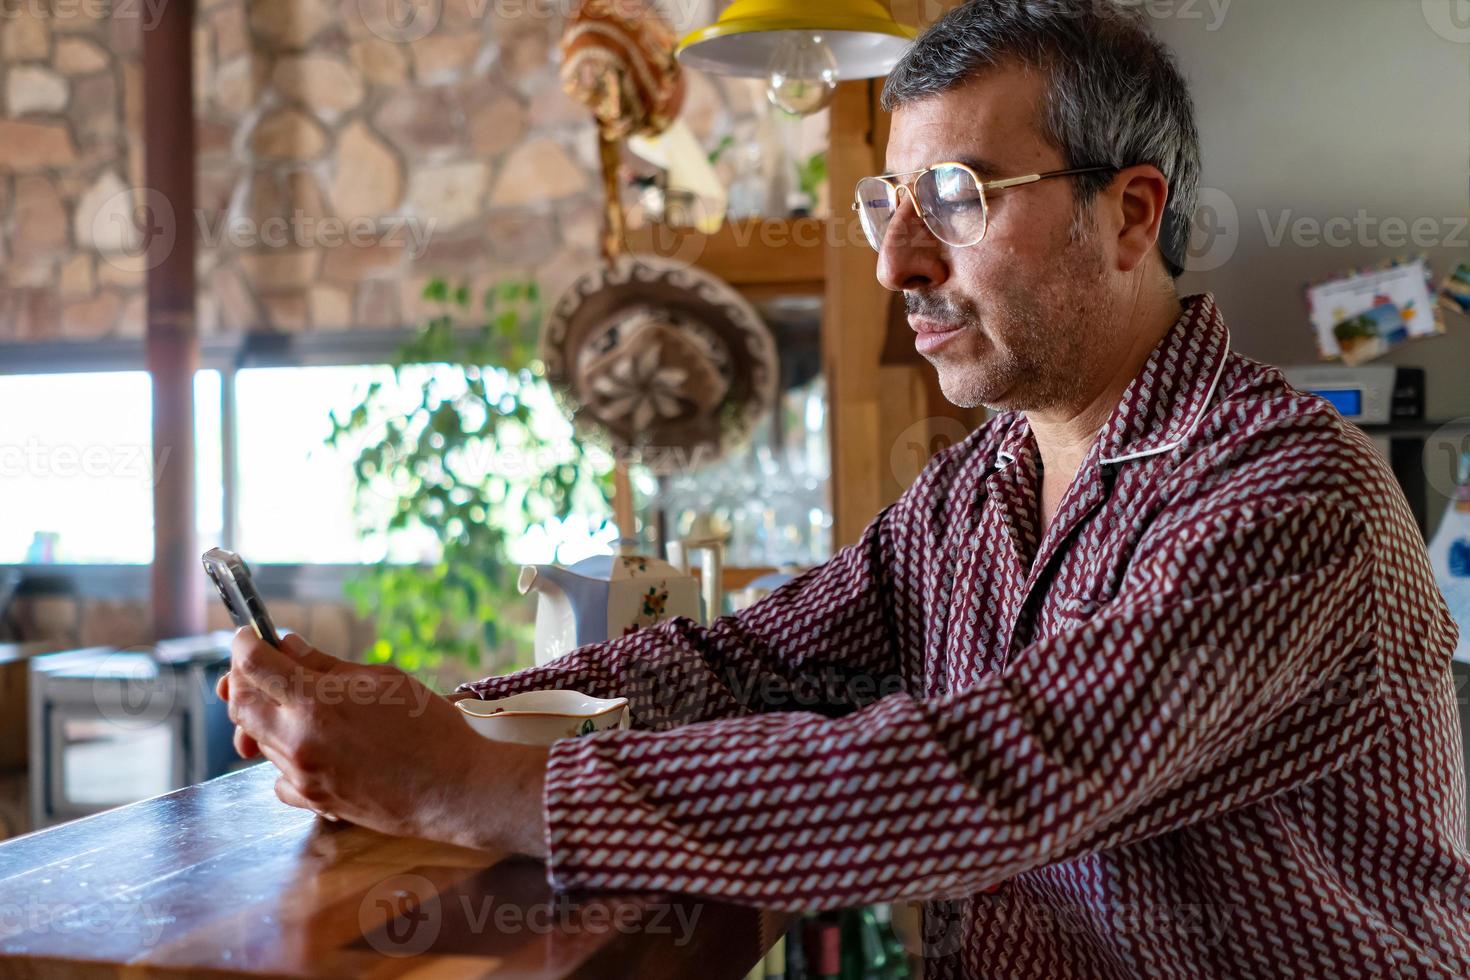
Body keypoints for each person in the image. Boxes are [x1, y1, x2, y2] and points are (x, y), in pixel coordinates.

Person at [221, 1, 1470, 975]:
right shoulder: (977, 491)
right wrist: (435, 713)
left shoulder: (1292, 497)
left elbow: (994, 772)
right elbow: (741, 664)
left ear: (1130, 212)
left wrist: (469, 781)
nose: (894, 259)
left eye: (956, 199)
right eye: (889, 199)